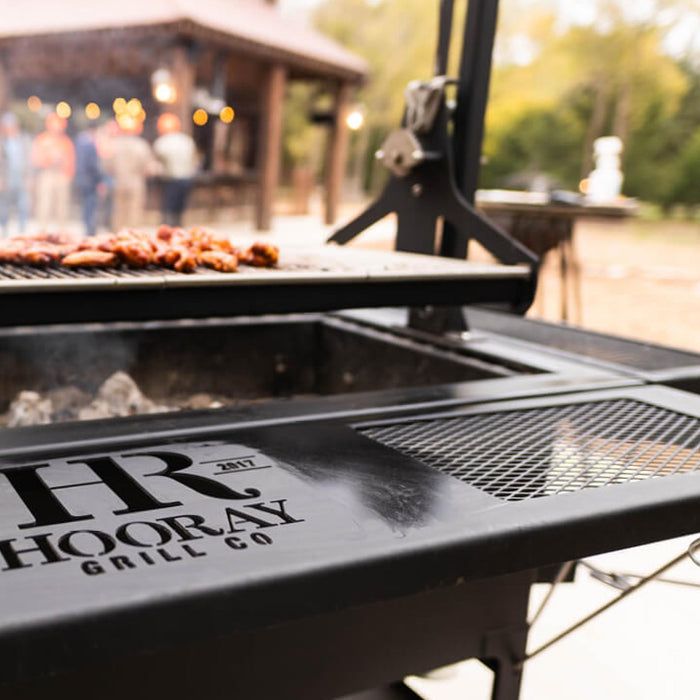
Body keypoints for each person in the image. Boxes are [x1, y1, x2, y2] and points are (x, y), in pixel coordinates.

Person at [107, 117, 157, 231]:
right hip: (136, 183)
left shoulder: (113, 144)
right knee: (134, 212)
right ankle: (132, 235)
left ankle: (118, 235)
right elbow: (149, 167)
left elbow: (107, 166)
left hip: (118, 183)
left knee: (118, 212)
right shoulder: (141, 145)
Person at [31, 112, 75, 231]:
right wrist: (49, 159)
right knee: (44, 204)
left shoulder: (66, 142)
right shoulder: (42, 139)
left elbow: (71, 160)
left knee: (62, 206)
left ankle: (61, 232)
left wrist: (68, 175)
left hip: (62, 174)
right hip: (47, 174)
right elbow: (36, 159)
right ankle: (42, 230)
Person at [152, 113, 198, 226]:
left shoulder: (162, 142)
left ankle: (167, 227)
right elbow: (194, 160)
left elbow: (156, 163)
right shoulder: (187, 141)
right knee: (180, 206)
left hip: (170, 179)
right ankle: (178, 226)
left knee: (168, 206)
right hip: (186, 178)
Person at [0, 113, 32, 237]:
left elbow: (29, 160)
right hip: (7, 178)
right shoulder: (2, 142)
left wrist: (29, 177)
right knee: (4, 206)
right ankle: (4, 230)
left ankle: (21, 232)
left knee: (23, 206)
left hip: (21, 178)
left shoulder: (23, 141)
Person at [74, 124, 104, 236]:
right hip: (91, 180)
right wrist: (100, 180)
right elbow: (93, 165)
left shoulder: (79, 143)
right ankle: (90, 230)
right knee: (91, 206)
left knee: (85, 206)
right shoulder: (90, 145)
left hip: (81, 179)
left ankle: (87, 227)